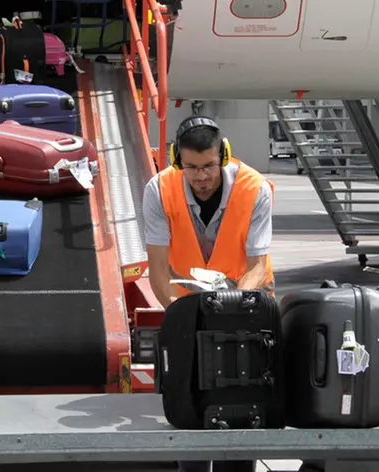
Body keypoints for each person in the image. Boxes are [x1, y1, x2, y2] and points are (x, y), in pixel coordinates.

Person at [142, 116, 274, 472]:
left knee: (240, 417)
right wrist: (181, 322)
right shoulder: (159, 190)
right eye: (191, 168)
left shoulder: (254, 188)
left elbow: (258, 267)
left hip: (245, 309)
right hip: (185, 307)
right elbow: (157, 268)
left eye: (209, 166)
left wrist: (229, 315)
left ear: (224, 155)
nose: (201, 177)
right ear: (176, 160)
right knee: (189, 415)